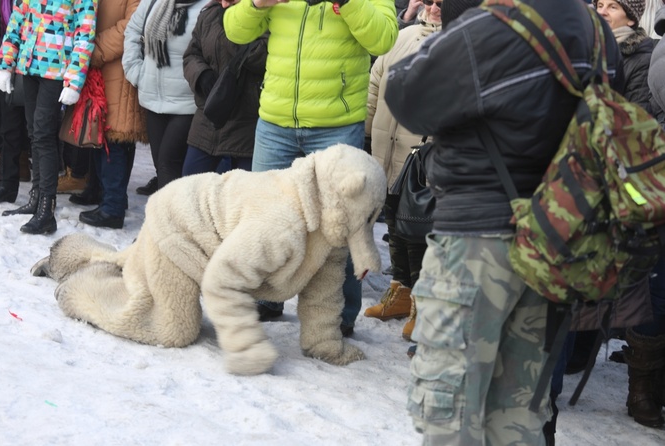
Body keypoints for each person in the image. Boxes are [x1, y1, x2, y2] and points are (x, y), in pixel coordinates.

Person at [384, 0, 623, 444]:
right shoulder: (596, 32)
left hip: (477, 239)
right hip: (556, 237)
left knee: (449, 404)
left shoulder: (489, 26)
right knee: (520, 410)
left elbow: (404, 97)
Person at [223, 0, 398, 335]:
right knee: (262, 218)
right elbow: (235, 29)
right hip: (275, 120)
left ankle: (340, 316)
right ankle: (267, 299)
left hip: (337, 123)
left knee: (342, 226)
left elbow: (383, 39)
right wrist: (259, 4)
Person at [363, 0, 442, 343]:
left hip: (419, 154)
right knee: (394, 222)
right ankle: (401, 289)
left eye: (443, 3)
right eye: (432, 2)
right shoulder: (403, 35)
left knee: (418, 229)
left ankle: (420, 303)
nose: (436, 8)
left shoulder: (454, 43)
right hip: (385, 146)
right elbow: (375, 84)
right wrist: (366, 132)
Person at [0, 0, 97, 234]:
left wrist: (74, 80)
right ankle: (36, 198)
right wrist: (5, 64)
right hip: (29, 66)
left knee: (43, 134)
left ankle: (46, 209)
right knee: (34, 133)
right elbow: (16, 22)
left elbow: (85, 32)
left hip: (56, 70)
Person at [76, 0, 149, 229]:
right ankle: (102, 193)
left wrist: (95, 48)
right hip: (100, 69)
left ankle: (112, 207)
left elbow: (132, 25)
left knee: (115, 139)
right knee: (101, 136)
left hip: (118, 67)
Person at [122, 0, 204, 192]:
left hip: (188, 103)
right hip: (153, 100)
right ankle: (175, 215)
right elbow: (133, 31)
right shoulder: (154, 2)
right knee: (162, 165)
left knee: (168, 162)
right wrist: (136, 72)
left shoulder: (208, 6)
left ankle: (168, 219)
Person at [181, 0, 268, 176]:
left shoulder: (267, 13)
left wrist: (233, 24)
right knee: (190, 188)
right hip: (209, 118)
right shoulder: (210, 13)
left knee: (242, 198)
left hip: (247, 124)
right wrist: (201, 76)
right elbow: (191, 55)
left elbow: (261, 58)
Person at [0, 0, 31, 205]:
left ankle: (42, 193)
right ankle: (7, 186)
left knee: (39, 130)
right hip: (6, 57)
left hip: (39, 59)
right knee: (9, 126)